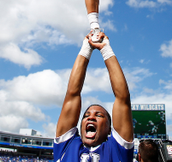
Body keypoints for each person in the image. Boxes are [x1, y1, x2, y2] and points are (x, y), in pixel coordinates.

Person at [54, 31, 134, 162]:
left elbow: (122, 98)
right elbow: (72, 94)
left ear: (110, 129)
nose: (90, 117)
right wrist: (86, 49)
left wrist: (106, 50)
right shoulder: (66, 146)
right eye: (86, 116)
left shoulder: (117, 150)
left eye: (99, 115)